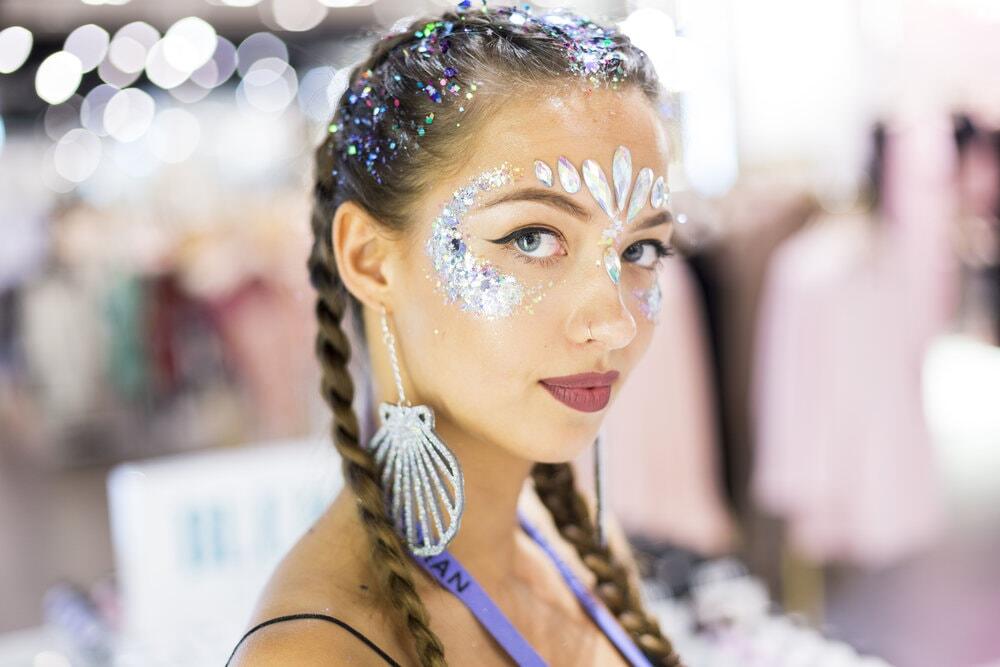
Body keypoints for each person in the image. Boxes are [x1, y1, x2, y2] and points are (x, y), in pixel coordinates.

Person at [228, 4, 682, 665]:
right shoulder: (314, 653)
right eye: (533, 237)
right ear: (369, 259)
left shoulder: (578, 540)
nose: (615, 320)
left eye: (642, 249)